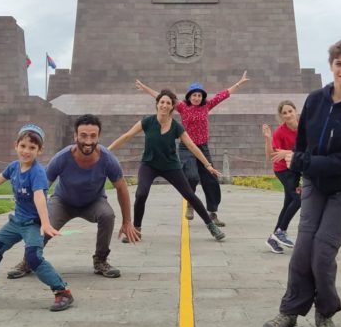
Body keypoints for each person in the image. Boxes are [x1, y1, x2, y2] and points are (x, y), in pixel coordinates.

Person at [262, 38, 341, 327]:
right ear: (331, 65)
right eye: (339, 63)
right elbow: (302, 141)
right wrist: (301, 170)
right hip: (314, 182)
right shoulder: (315, 100)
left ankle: (325, 312)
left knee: (323, 253)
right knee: (302, 249)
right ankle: (289, 311)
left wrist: (299, 160)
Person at [6, 113, 140, 281]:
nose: (88, 141)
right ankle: (28, 260)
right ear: (75, 135)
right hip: (63, 201)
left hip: (93, 202)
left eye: (93, 136)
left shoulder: (107, 159)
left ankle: (100, 260)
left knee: (107, 215)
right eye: (83, 135)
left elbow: (121, 188)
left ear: (98, 136)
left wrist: (127, 221)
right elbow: (41, 186)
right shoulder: (62, 158)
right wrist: (33, 213)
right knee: (44, 224)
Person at [0, 124, 73, 311]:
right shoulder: (13, 167)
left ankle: (62, 292)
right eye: (23, 146)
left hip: (33, 224)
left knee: (33, 258)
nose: (26, 151)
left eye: (32, 148)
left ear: (39, 150)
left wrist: (45, 223)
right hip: (16, 222)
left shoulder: (38, 172)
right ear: (16, 145)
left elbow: (39, 197)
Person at [107, 89, 226, 242]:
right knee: (141, 193)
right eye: (162, 102)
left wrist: (207, 165)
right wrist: (106, 150)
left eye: (168, 103)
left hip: (171, 166)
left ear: (172, 107)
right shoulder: (147, 122)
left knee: (189, 194)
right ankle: (137, 229)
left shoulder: (176, 127)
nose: (164, 105)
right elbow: (127, 136)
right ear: (157, 105)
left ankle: (211, 226)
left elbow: (191, 146)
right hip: (149, 165)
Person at [134, 71, 249, 225]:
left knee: (211, 180)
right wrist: (146, 88)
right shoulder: (182, 107)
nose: (196, 98)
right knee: (192, 176)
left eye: (199, 96)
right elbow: (161, 97)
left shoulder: (207, 106)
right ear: (189, 96)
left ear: (202, 97)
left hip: (203, 148)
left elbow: (223, 94)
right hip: (186, 148)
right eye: (194, 95)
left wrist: (239, 83)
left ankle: (212, 213)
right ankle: (191, 202)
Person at [262, 100, 301, 253]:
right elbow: (271, 156)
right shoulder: (280, 131)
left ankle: (273, 239)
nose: (288, 115)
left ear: (295, 111)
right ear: (281, 116)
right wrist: (268, 138)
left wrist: (289, 153)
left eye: (290, 111)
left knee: (288, 204)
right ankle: (280, 231)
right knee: (299, 199)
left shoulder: (304, 127)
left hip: (297, 168)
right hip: (284, 170)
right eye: (284, 113)